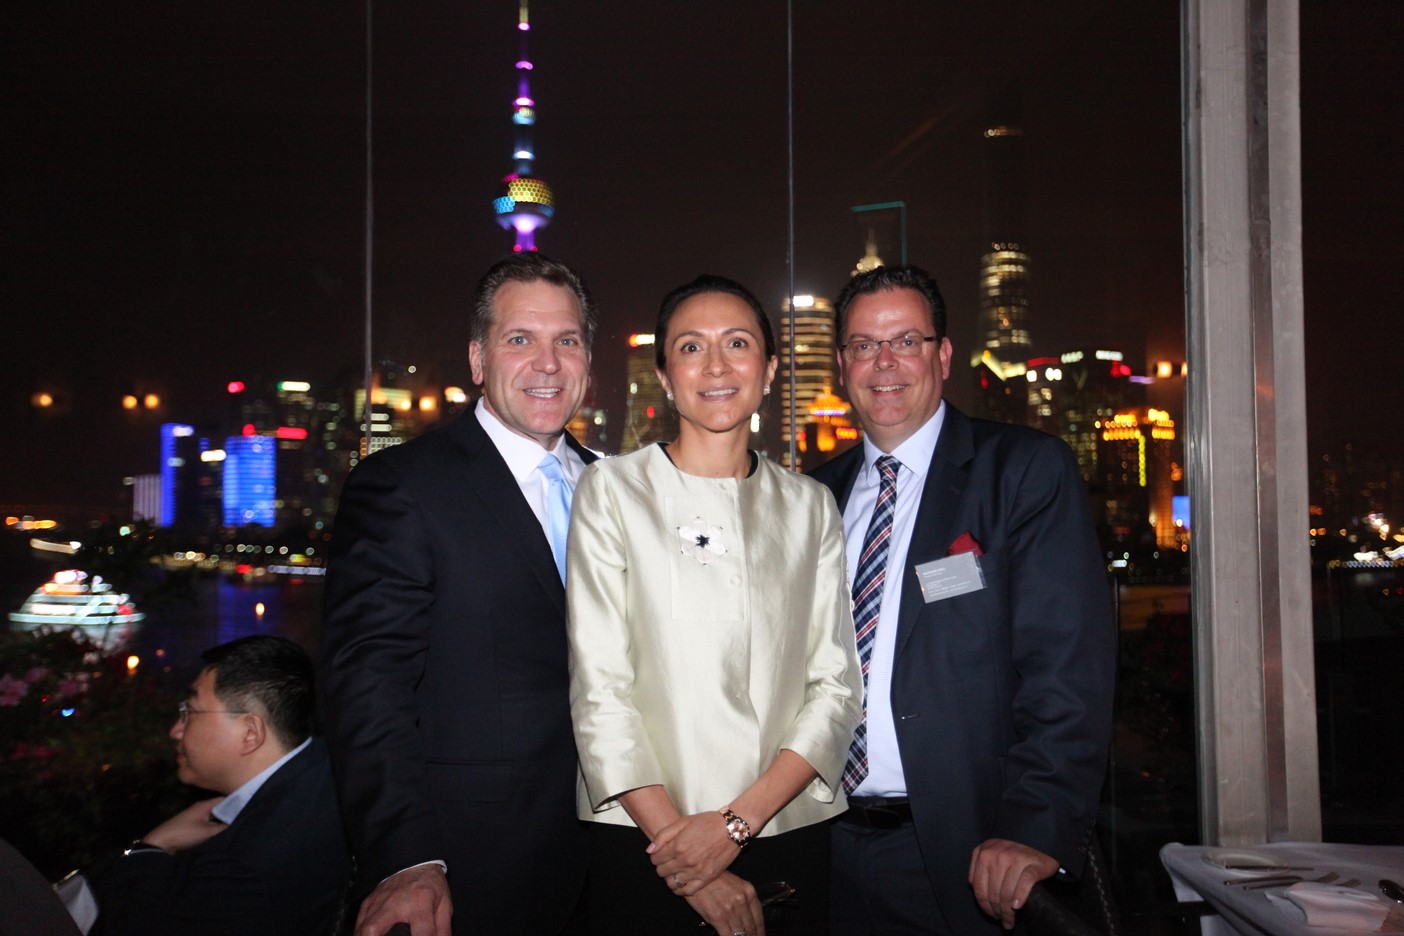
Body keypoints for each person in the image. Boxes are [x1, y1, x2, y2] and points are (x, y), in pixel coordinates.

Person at [810, 265, 1115, 935]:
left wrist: (1034, 825)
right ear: (841, 365)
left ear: (943, 356)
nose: (884, 362)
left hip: (961, 853)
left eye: (907, 340)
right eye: (864, 345)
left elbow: (1065, 668)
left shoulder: (1022, 472)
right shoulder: (811, 497)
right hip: (820, 848)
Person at [567, 274, 863, 936]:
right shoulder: (611, 490)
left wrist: (736, 823)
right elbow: (600, 691)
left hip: (784, 827)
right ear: (666, 377)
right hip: (645, 835)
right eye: (691, 348)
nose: (717, 366)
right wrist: (684, 851)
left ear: (770, 369)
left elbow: (836, 688)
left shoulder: (811, 506)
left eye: (738, 343)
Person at [323, 252, 597, 936]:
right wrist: (405, 857)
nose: (548, 363)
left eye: (566, 340)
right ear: (478, 360)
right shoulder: (403, 486)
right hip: (472, 866)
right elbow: (367, 681)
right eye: (520, 340)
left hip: (617, 854)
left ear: (587, 360)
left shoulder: (619, 486)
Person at [73, 635, 348, 935]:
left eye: (189, 712)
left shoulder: (238, 864)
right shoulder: (332, 772)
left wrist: (152, 848)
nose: (176, 730)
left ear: (250, 733)